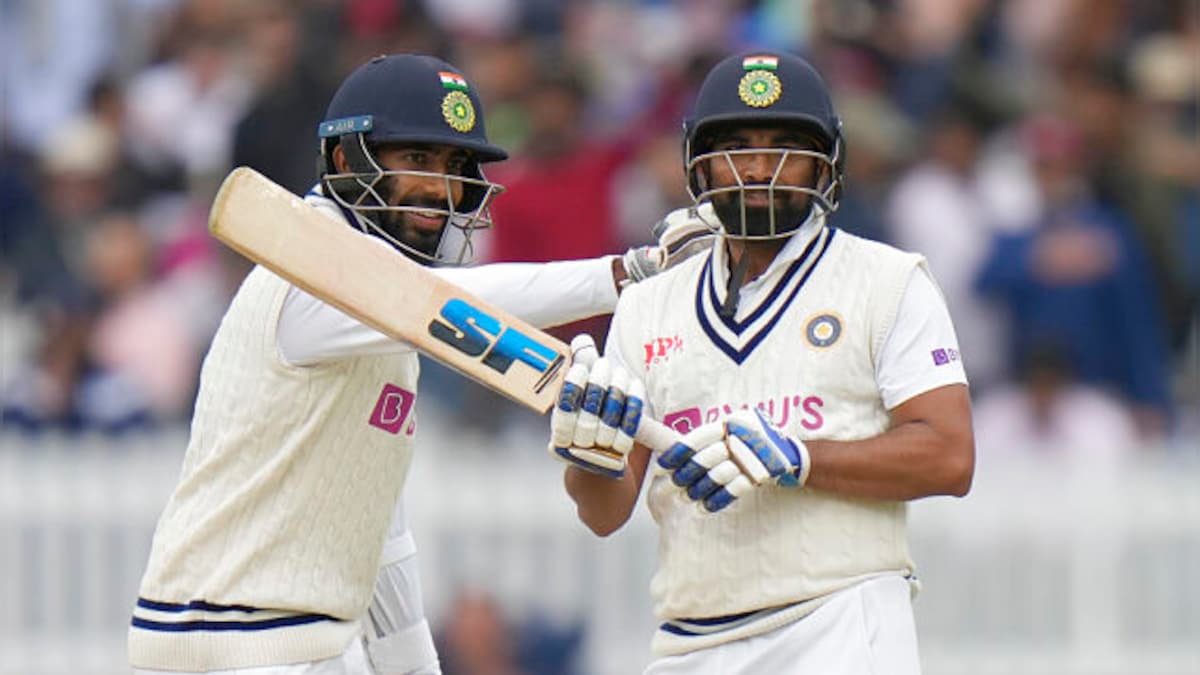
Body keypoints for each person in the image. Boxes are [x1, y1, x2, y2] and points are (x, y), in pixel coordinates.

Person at [128, 54, 710, 674]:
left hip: (313, 644)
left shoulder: (388, 314)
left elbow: (375, 521)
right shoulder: (309, 275)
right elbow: (460, 308)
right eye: (418, 161)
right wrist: (626, 271)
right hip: (235, 642)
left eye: (455, 167)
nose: (441, 187)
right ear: (347, 160)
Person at [548, 51, 975, 674]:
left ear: (825, 161)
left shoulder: (887, 281)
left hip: (842, 618)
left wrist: (799, 458)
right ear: (700, 162)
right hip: (690, 637)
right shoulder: (647, 305)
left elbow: (950, 455)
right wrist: (586, 452)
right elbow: (604, 512)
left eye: (784, 146)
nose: (757, 167)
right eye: (738, 145)